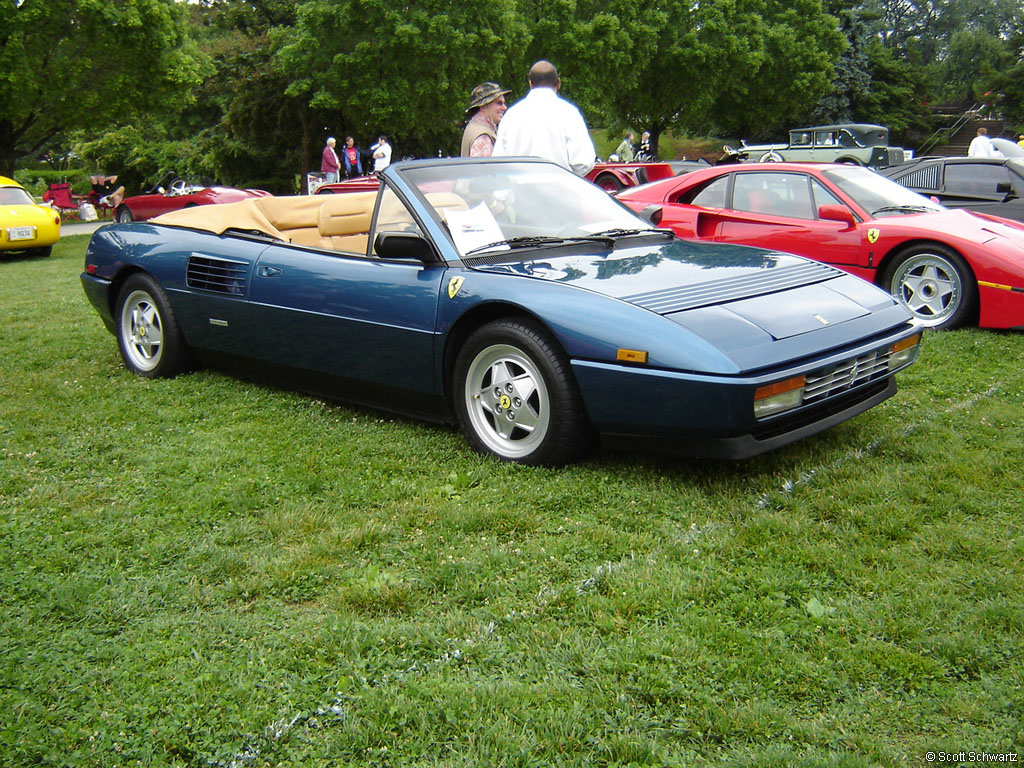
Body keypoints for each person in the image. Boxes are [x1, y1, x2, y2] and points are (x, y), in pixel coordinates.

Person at [492, 60, 596, 176]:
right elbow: (583, 162)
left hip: (520, 190)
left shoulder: (511, 116)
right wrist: (568, 178)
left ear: (530, 84)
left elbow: (499, 161)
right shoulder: (569, 113)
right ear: (558, 83)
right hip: (558, 188)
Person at [461, 82, 510, 157]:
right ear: (483, 106)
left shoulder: (475, 127)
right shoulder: (483, 137)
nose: (504, 108)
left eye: (503, 103)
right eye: (499, 103)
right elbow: (483, 168)